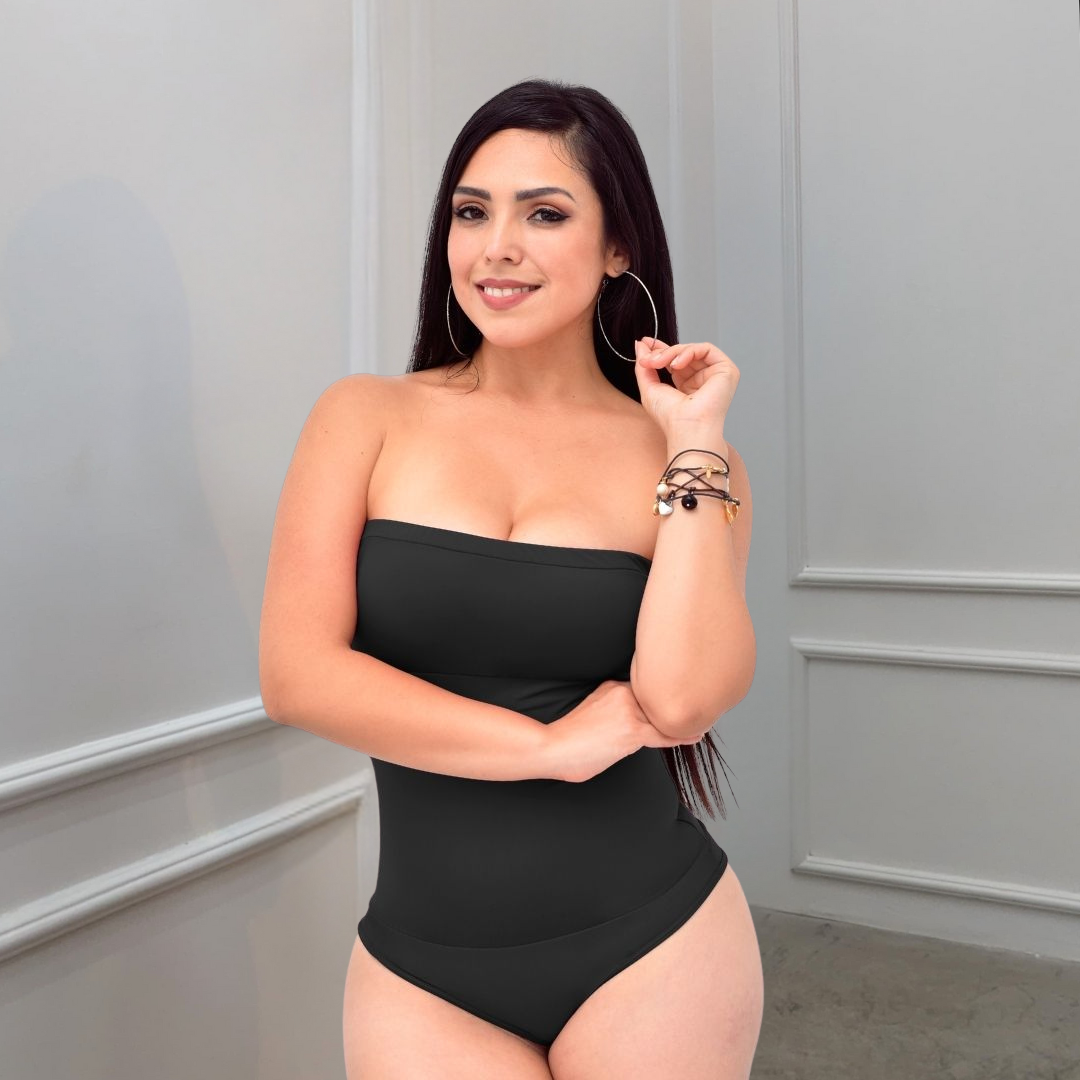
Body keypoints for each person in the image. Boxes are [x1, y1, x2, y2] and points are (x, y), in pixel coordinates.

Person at [259, 78, 763, 1080]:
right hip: (423, 969)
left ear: (618, 246)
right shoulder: (364, 417)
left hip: (656, 946)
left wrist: (695, 442)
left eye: (545, 214)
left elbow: (683, 700)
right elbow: (297, 674)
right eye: (471, 212)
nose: (496, 247)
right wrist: (546, 748)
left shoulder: (686, 462)